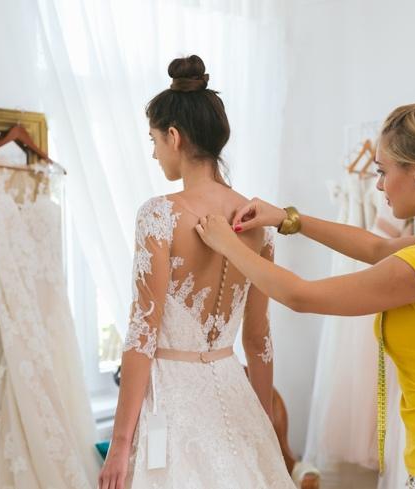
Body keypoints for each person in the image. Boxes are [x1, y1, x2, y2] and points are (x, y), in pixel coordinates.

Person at [195, 102, 415, 488]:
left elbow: (302, 296)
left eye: (382, 171)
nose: (377, 185)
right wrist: (286, 219)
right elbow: (377, 249)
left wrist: (229, 246)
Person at [98, 55, 295, 489]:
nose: (153, 153)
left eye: (152, 140)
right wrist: (262, 425)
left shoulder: (159, 215)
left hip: (171, 399)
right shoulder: (257, 218)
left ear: (173, 136)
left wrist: (120, 443)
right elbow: (258, 338)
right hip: (234, 393)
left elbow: (142, 333)